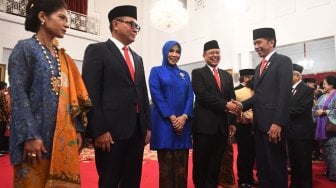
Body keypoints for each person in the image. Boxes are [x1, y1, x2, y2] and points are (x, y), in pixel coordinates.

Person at [8, 0, 92, 187]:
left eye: (68, 18)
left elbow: (72, 98)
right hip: (34, 140)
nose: (67, 23)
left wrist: (77, 129)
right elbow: (19, 96)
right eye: (61, 17)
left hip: (61, 141)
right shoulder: (25, 49)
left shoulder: (63, 57)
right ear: (43, 17)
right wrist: (30, 136)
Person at [82, 5, 152, 188]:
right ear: (116, 24)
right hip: (110, 133)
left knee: (132, 180)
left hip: (136, 131)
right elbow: (91, 93)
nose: (135, 29)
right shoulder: (97, 50)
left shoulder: (137, 58)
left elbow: (142, 94)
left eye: (137, 26)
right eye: (132, 24)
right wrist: (99, 130)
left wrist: (147, 127)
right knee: (109, 180)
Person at [241, 27, 293, 188]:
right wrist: (241, 105)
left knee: (275, 167)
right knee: (263, 168)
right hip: (259, 126)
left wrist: (278, 122)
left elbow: (284, 94)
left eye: (259, 42)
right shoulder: (258, 68)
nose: (256, 46)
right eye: (254, 43)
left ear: (271, 42)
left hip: (273, 126)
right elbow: (259, 97)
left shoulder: (283, 61)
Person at [191, 40, 238, 187]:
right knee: (201, 162)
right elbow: (203, 95)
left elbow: (232, 99)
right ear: (204, 56)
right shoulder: (198, 73)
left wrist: (232, 122)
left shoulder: (226, 76)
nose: (215, 55)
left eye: (217, 52)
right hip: (204, 127)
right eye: (211, 53)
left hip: (222, 128)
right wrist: (225, 105)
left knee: (216, 163)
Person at [149, 40, 194, 188]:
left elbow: (190, 97)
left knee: (182, 168)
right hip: (165, 124)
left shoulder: (185, 74)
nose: (174, 54)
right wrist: (173, 117)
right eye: (171, 50)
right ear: (165, 51)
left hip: (184, 124)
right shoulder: (156, 71)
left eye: (177, 51)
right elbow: (157, 96)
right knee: (166, 168)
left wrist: (184, 116)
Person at [287, 64, 315, 188]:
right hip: (291, 132)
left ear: (297, 76)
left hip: (302, 133)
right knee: (294, 162)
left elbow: (301, 109)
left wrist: (282, 112)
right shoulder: (288, 90)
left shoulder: (307, 90)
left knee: (303, 163)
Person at [234, 69, 258, 188]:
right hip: (244, 126)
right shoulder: (237, 91)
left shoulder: (259, 91)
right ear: (246, 78)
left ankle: (249, 178)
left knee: (253, 154)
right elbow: (233, 109)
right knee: (244, 154)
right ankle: (243, 180)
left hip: (257, 126)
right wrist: (240, 118)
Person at [313, 75, 336, 182]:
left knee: (333, 151)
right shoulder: (323, 96)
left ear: (331, 85)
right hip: (322, 127)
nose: (323, 85)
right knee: (326, 150)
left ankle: (334, 174)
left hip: (332, 127)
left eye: (325, 83)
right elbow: (315, 108)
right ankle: (328, 170)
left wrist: (325, 112)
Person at [303, 77, 324, 161]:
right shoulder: (304, 96)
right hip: (307, 122)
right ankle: (312, 153)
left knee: (315, 140)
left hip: (315, 122)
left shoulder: (314, 97)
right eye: (311, 85)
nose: (313, 87)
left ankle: (316, 153)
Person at [0, 81, 10, 157]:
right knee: (1, 134)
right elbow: (5, 108)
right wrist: (8, 116)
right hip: (1, 118)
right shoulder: (2, 95)